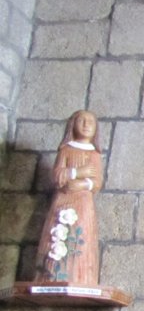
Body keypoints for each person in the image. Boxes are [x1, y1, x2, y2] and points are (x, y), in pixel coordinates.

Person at [35, 110, 104, 284]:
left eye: (91, 122)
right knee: (57, 233)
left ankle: (81, 278)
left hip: (84, 203)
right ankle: (50, 277)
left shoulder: (94, 155)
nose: (86, 125)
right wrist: (77, 172)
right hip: (63, 200)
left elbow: (97, 182)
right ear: (72, 125)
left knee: (81, 236)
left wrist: (83, 184)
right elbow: (56, 176)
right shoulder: (66, 150)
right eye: (82, 121)